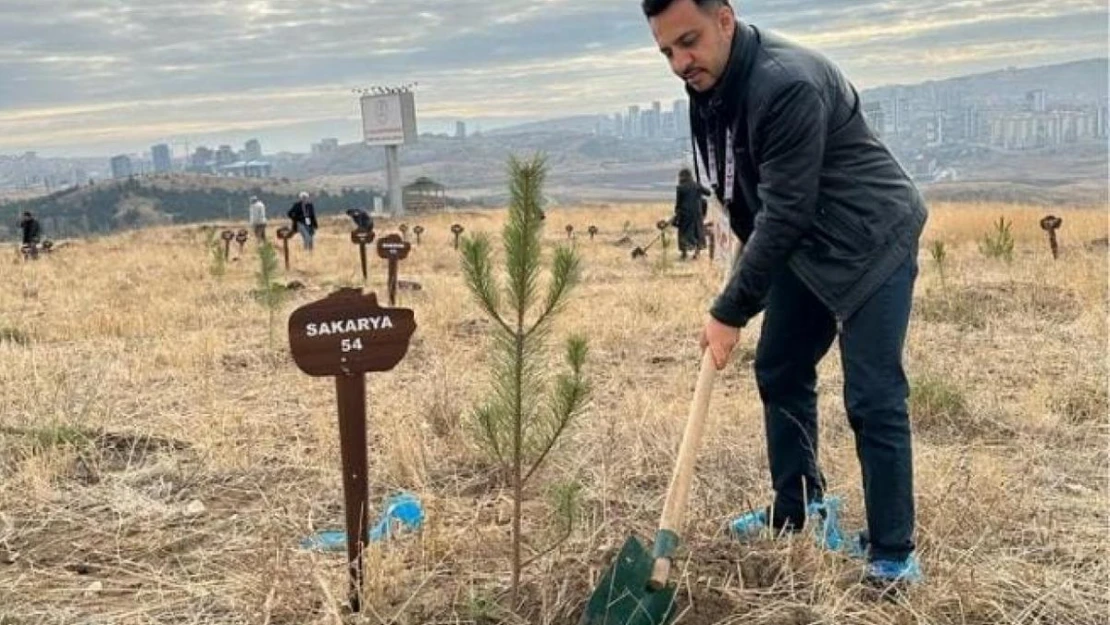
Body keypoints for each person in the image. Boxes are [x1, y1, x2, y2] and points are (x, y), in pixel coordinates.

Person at [643, 0, 928, 586]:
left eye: (689, 41)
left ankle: (893, 556)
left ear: (725, 17)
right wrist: (743, 279)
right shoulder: (712, 86)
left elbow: (787, 211)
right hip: (809, 247)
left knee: (873, 395)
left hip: (871, 239)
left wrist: (731, 309)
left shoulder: (785, 83)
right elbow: (746, 196)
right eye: (667, 51)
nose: (679, 62)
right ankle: (799, 508)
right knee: (780, 365)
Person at [672, 167, 710, 260]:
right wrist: (700, 186)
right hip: (697, 214)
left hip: (685, 214)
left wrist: (677, 212)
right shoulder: (696, 186)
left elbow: (679, 203)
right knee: (698, 233)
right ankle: (697, 253)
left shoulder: (680, 188)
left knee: (683, 233)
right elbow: (708, 193)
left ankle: (684, 253)